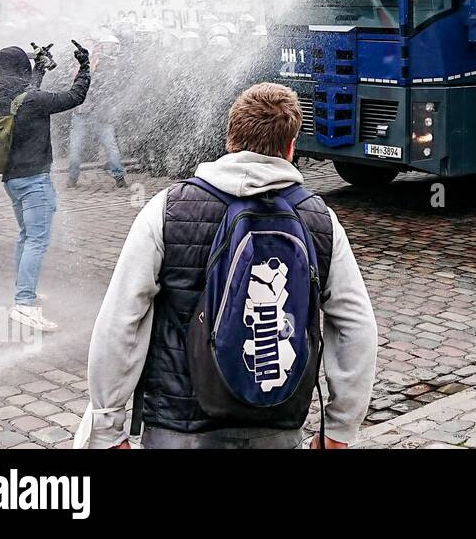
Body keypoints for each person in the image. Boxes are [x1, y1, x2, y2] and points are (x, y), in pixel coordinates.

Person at [79, 83, 378, 448]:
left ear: (230, 139)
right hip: (276, 424)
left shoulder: (167, 208)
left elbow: (120, 318)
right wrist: (340, 427)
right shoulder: (320, 219)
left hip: (178, 428)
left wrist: (108, 426)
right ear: (290, 147)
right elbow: (355, 324)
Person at [0, 42, 91, 332]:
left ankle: (25, 288)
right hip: (34, 181)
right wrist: (84, 67)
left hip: (12, 179)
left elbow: (27, 95)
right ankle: (24, 303)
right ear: (22, 68)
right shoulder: (32, 100)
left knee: (25, 236)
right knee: (36, 240)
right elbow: (74, 96)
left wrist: (40, 68)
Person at [66, 35, 128, 189]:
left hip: (99, 114)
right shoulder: (77, 65)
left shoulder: (103, 64)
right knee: (76, 148)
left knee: (109, 146)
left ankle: (119, 177)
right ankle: (72, 177)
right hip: (81, 113)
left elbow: (108, 88)